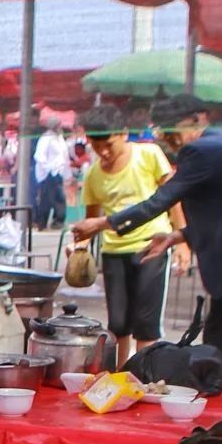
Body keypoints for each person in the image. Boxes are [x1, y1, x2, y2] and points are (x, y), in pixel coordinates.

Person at [73, 103, 222, 379]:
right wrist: (178, 236)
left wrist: (103, 223)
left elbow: (161, 200)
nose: (170, 138)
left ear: (198, 119)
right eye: (164, 131)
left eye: (175, 128)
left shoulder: (200, 151)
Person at [80, 116, 179, 367]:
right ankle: (118, 375)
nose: (103, 151)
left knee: (146, 323)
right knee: (118, 322)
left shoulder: (149, 155)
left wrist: (183, 240)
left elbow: (172, 198)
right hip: (113, 251)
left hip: (151, 246)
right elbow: (91, 222)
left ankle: (145, 375)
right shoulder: (93, 175)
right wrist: (79, 246)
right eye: (95, 145)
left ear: (124, 134)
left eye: (108, 144)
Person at [31, 125, 69, 229]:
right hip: (47, 173)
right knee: (45, 200)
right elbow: (39, 156)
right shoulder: (45, 138)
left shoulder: (60, 138)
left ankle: (58, 221)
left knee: (59, 197)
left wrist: (66, 173)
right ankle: (41, 222)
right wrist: (46, 167)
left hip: (58, 172)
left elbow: (64, 156)